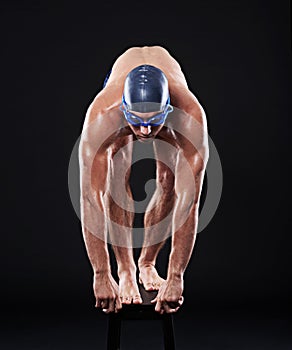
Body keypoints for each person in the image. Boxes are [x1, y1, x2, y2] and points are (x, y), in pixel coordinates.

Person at [79, 46, 209, 314]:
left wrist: (176, 277)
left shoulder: (189, 116)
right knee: (116, 177)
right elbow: (91, 199)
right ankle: (126, 270)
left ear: (168, 109)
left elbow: (189, 203)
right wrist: (101, 272)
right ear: (124, 110)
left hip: (172, 102)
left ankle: (147, 264)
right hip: (121, 91)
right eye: (137, 122)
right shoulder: (103, 115)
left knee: (168, 179)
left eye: (153, 122)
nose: (145, 131)